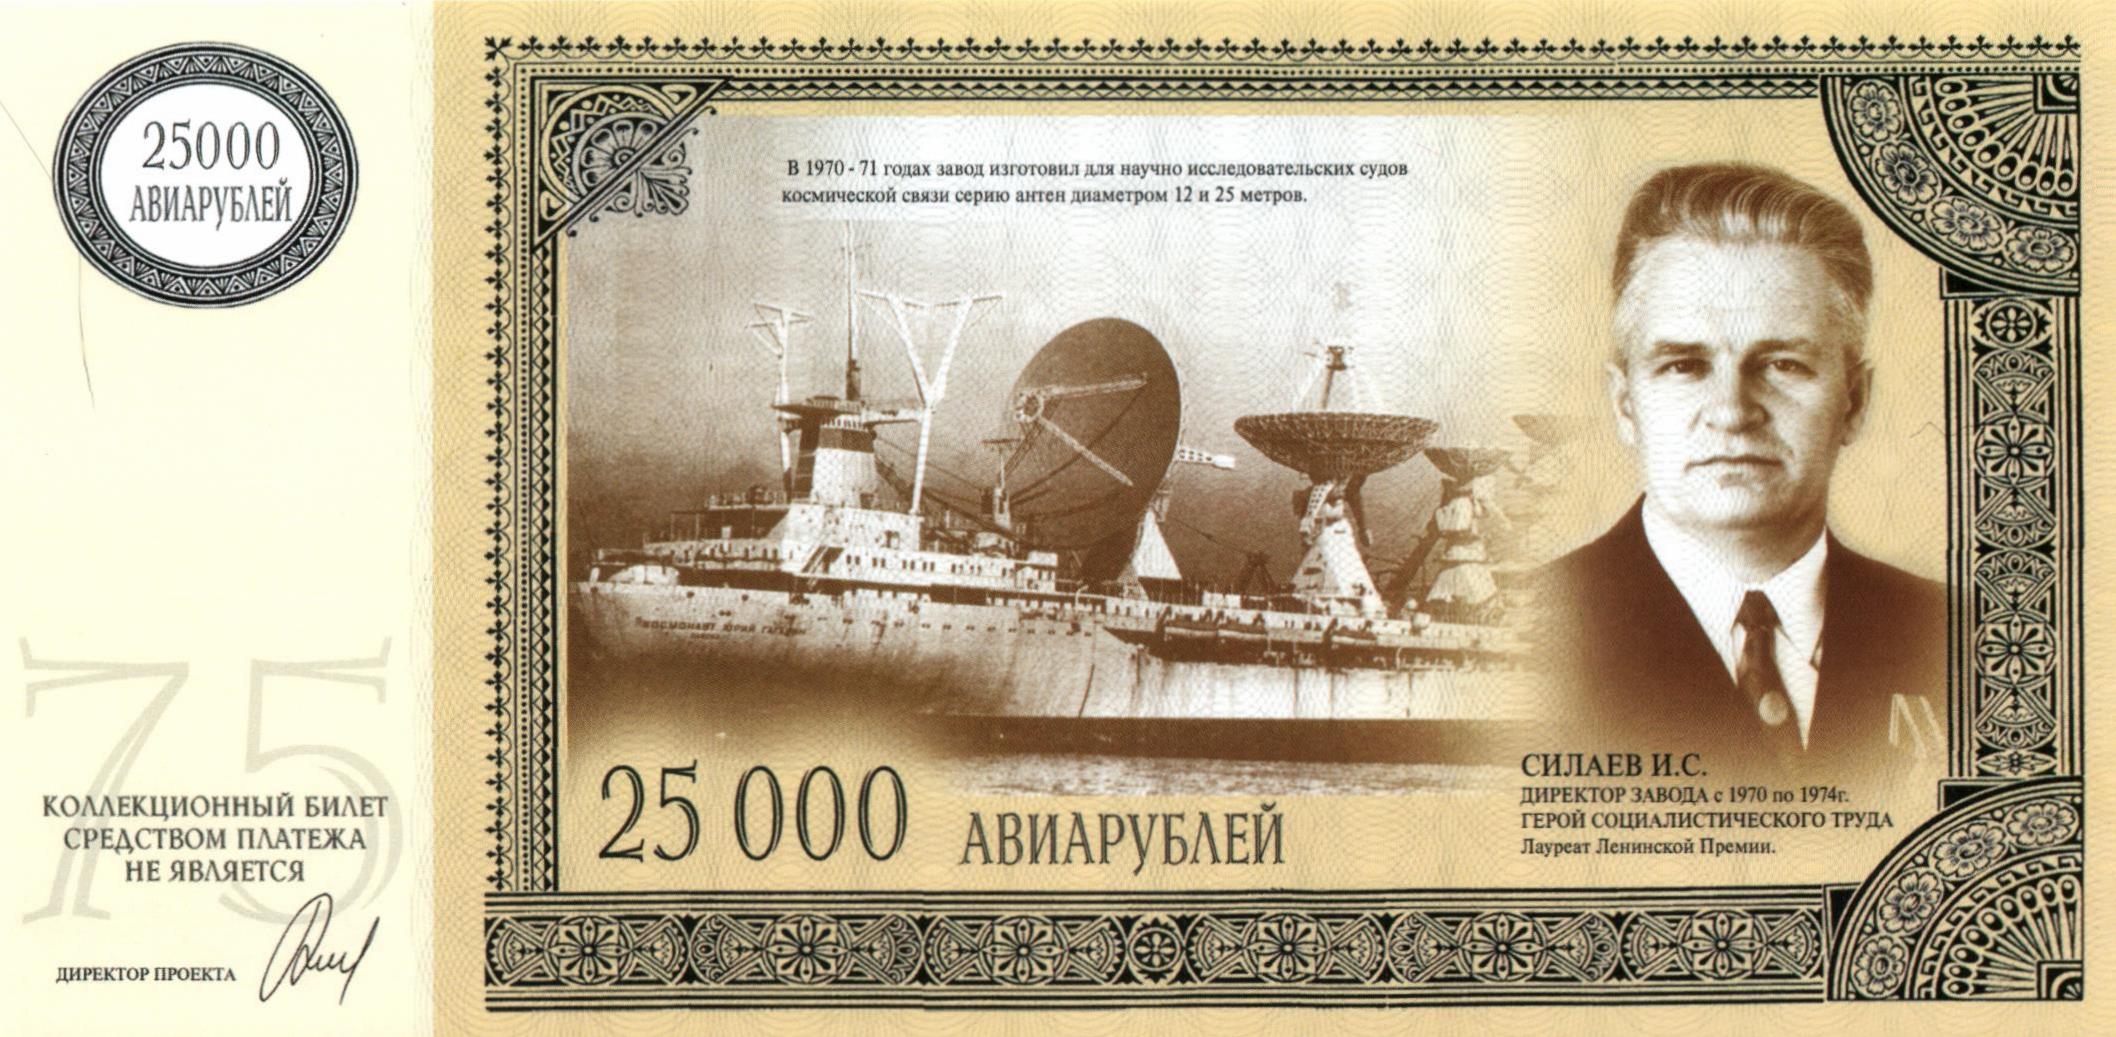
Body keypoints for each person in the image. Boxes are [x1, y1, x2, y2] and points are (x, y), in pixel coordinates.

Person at [1536, 162, 1945, 781]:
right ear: (1625, 406)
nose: (1732, 412)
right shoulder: (1532, 629)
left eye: (1783, 364)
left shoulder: (1965, 641)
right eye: (1684, 366)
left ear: (1854, 402)